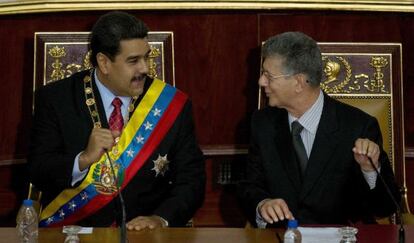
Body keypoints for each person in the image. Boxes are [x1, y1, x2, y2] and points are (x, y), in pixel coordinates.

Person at [28, 11, 205, 230]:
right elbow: (37, 171)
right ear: (104, 62)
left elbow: (192, 181)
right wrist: (83, 160)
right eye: (133, 61)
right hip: (76, 231)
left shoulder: (171, 104)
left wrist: (160, 219)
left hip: (144, 234)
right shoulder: (56, 100)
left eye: (146, 57)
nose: (145, 68)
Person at [238, 32, 400, 227]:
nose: (261, 82)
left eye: (268, 76)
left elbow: (385, 207)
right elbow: (249, 186)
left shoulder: (358, 126)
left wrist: (369, 170)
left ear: (298, 82)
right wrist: (262, 204)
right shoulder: (262, 124)